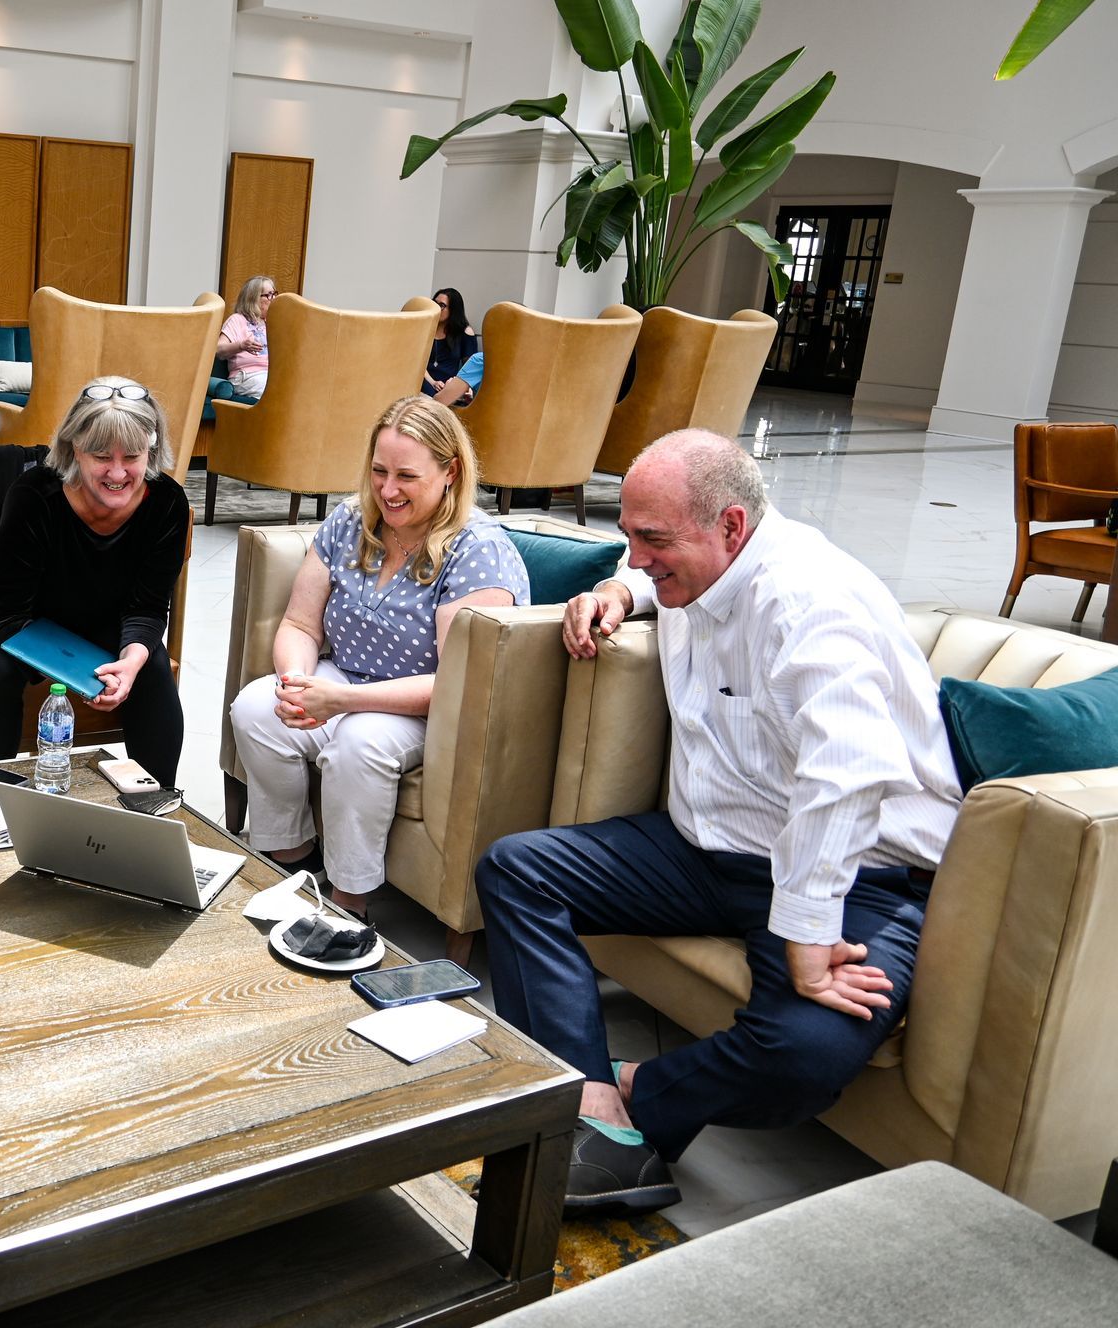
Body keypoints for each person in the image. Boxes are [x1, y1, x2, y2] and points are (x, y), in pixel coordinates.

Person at [474, 428, 962, 1217]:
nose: (635, 555)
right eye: (628, 535)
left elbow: (850, 771)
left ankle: (631, 1093)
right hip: (706, 852)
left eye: (651, 540)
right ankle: (592, 1104)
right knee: (515, 868)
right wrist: (619, 594)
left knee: (807, 1054)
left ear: (731, 526)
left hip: (852, 875)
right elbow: (643, 578)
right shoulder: (696, 569)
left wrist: (808, 933)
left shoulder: (808, 599)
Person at [228, 396, 530, 917]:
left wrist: (340, 699)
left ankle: (349, 901)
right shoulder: (351, 520)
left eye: (406, 476)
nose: (388, 490)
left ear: (450, 471)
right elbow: (301, 622)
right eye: (378, 472)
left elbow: (456, 684)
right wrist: (299, 683)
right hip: (346, 677)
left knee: (359, 743)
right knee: (256, 707)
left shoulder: (476, 549)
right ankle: (295, 859)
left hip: (425, 703)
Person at [0, 378, 190, 787]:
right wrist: (82, 676)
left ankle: (155, 800)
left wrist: (130, 661)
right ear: (75, 448)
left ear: (152, 451)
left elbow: (146, 607)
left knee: (151, 664)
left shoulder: (167, 504)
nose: (117, 472)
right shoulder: (35, 495)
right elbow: (6, 615)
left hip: (91, 611)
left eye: (132, 456)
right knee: (0, 669)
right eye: (100, 457)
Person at [216, 275, 274, 398]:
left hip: (270, 375)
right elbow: (219, 350)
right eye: (268, 295)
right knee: (273, 390)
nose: (273, 299)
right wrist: (241, 346)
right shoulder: (237, 320)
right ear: (253, 298)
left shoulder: (273, 323)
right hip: (247, 375)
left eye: (274, 294)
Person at [423, 286, 478, 396]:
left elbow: (470, 368)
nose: (437, 308)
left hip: (449, 386)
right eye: (434, 304)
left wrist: (458, 386)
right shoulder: (424, 329)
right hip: (424, 381)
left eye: (442, 305)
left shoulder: (464, 332)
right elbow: (417, 363)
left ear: (453, 310)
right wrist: (433, 382)